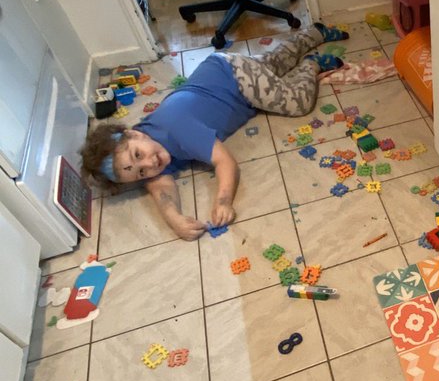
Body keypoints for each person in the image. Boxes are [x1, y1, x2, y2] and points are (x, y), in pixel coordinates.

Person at [80, 24, 348, 241]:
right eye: (138, 172)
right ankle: (315, 32)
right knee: (273, 64)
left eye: (139, 155)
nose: (150, 164)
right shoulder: (149, 143)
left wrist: (223, 201)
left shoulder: (177, 127)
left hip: (234, 76)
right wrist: (174, 219)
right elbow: (159, 183)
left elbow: (224, 161)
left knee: (295, 102)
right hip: (221, 70)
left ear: (133, 134)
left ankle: (311, 64)